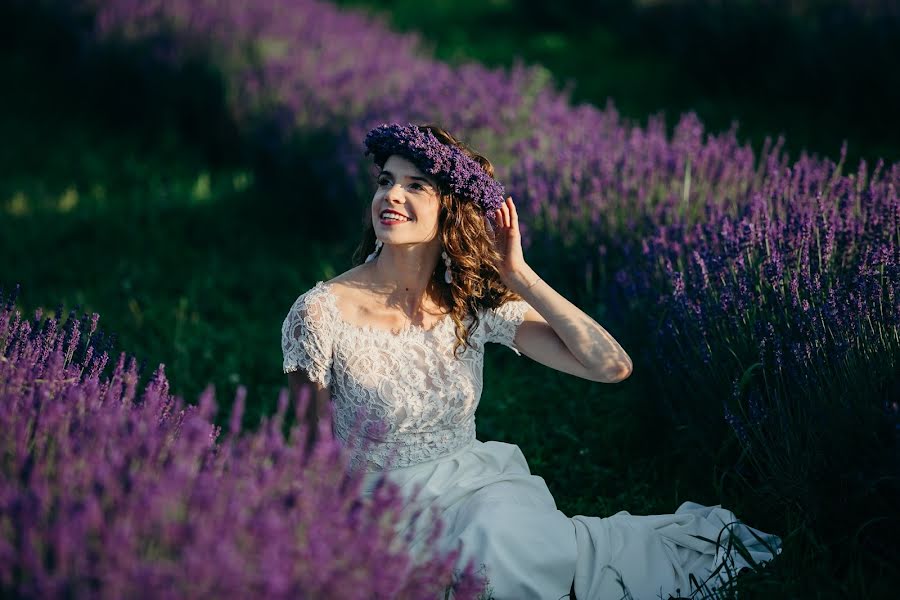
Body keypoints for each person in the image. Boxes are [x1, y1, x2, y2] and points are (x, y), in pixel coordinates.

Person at [281, 123, 782, 599]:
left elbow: (610, 365)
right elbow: (308, 456)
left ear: (450, 210)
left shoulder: (468, 301)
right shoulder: (321, 312)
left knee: (500, 553)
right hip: (382, 507)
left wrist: (520, 276)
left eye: (416, 186)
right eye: (386, 181)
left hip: (476, 489)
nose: (391, 195)